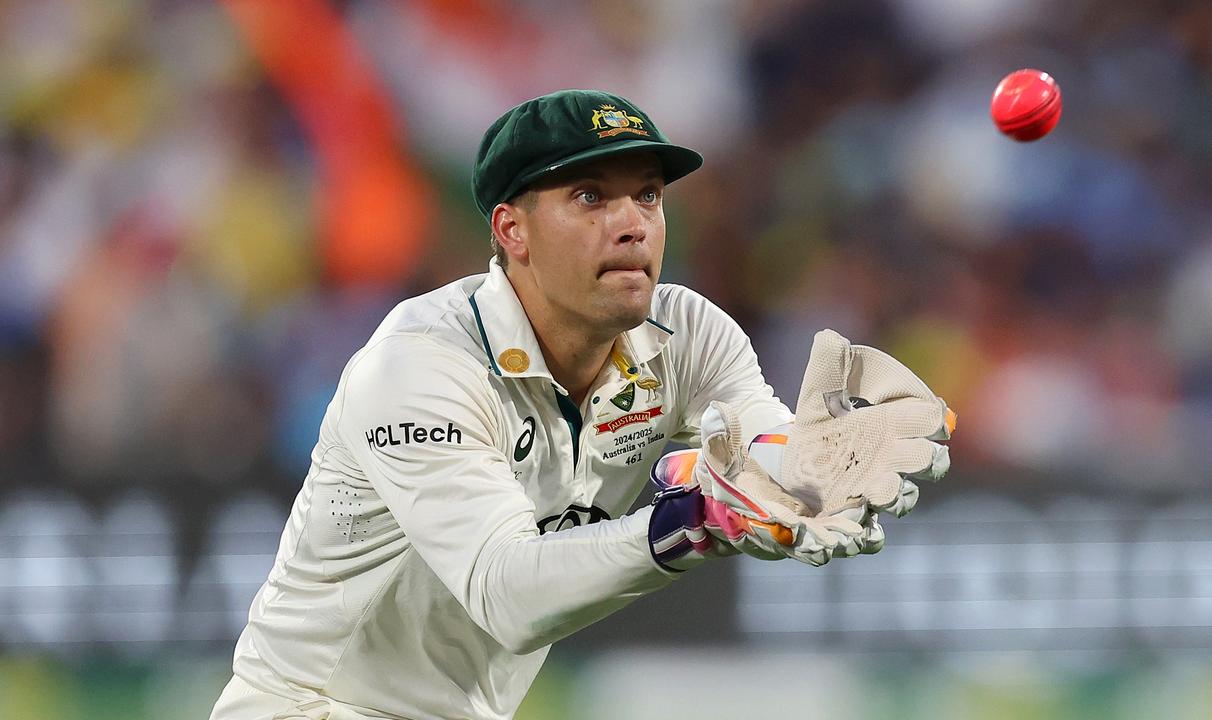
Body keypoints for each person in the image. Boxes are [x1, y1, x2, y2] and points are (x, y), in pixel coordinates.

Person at [208, 89, 950, 720]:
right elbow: (505, 592)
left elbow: (765, 454)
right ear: (511, 230)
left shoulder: (685, 332)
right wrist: (696, 520)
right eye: (590, 196)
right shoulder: (422, 364)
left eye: (648, 196)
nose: (632, 223)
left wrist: (812, 467)